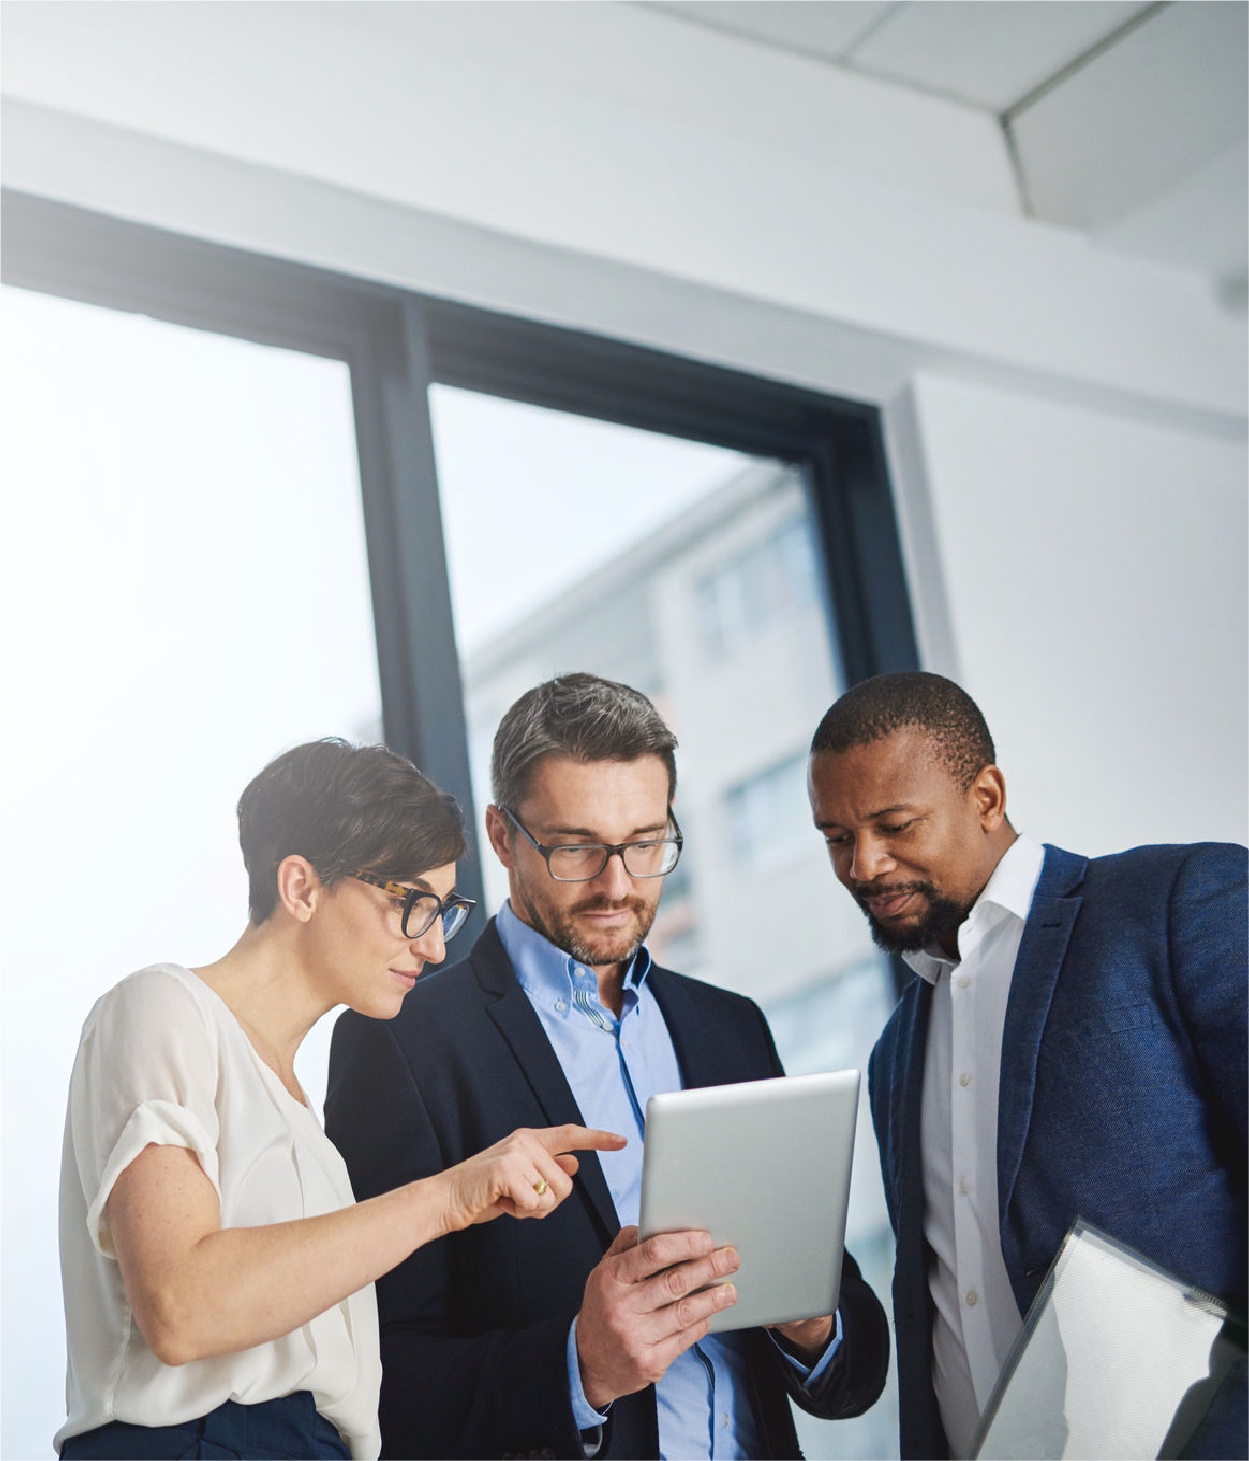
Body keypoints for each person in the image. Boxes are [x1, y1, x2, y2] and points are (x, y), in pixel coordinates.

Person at [325, 673, 889, 1460]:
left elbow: (854, 1370)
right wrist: (577, 1364)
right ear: (501, 836)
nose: (617, 884)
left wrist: (810, 1319)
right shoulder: (403, 1044)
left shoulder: (729, 1028)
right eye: (574, 847)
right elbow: (374, 1380)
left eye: (646, 842)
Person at [56, 738, 622, 1461]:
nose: (435, 947)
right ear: (300, 887)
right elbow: (181, 1306)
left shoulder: (305, 1125)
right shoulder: (164, 1006)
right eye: (413, 904)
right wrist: (446, 1198)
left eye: (444, 911)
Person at [806, 670, 1248, 1460]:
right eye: (837, 838)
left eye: (894, 825)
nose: (862, 865)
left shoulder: (1174, 903)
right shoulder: (892, 1056)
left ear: (985, 796)